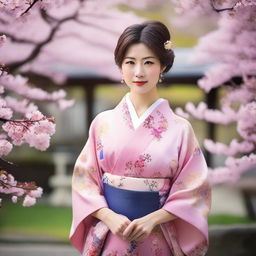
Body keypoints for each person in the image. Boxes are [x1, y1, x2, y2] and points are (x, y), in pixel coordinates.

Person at [70, 21, 211, 256]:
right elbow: (84, 180)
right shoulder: (102, 123)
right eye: (130, 62)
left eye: (148, 62)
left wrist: (153, 219)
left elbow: (195, 188)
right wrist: (108, 216)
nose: (139, 72)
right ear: (120, 67)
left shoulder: (180, 129)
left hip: (157, 236)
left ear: (163, 66)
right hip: (111, 235)